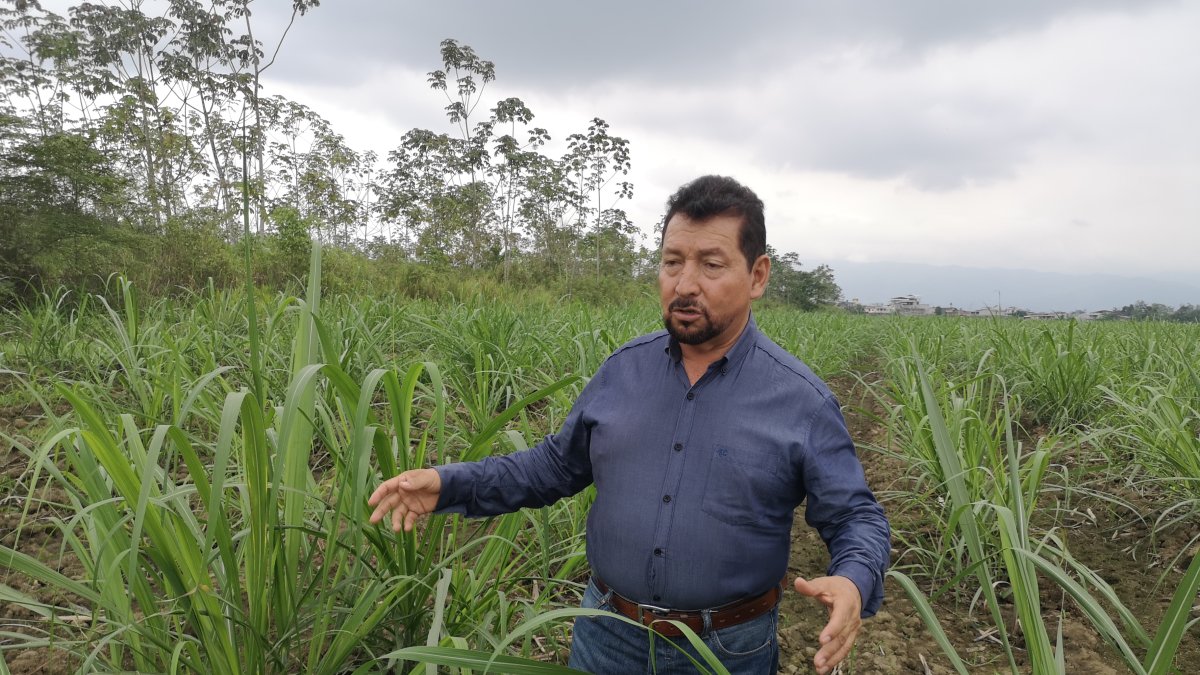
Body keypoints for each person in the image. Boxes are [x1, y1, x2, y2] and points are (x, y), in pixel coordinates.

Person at [369, 175, 891, 674]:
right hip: (606, 635)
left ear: (757, 276)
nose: (685, 284)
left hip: (725, 651)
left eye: (711, 265)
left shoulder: (801, 400)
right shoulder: (622, 370)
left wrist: (852, 581)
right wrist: (450, 483)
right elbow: (552, 467)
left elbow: (855, 518)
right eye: (671, 262)